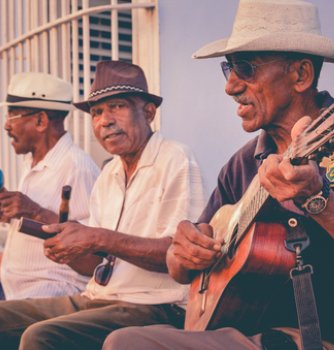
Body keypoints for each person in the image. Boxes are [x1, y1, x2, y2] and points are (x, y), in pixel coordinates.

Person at [102, 1, 334, 349]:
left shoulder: (325, 138)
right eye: (230, 68)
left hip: (313, 336)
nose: (230, 86)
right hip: (242, 328)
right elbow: (182, 270)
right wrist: (184, 250)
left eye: (246, 68)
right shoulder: (241, 165)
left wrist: (317, 201)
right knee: (121, 339)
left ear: (300, 75)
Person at [0, 60, 206, 350]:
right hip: (99, 297)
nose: (105, 120)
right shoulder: (109, 174)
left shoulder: (175, 158)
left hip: (153, 303)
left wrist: (96, 237)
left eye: (118, 107)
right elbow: (94, 266)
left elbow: (178, 254)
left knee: (41, 337)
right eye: (97, 112)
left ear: (148, 112)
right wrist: (69, 249)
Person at [0, 72, 100, 301]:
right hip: (13, 288)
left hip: (52, 292)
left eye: (12, 115)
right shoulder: (32, 162)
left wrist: (33, 211)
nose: (6, 125)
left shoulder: (77, 168)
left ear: (40, 121)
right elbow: (40, 220)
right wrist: (8, 214)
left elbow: (92, 253)